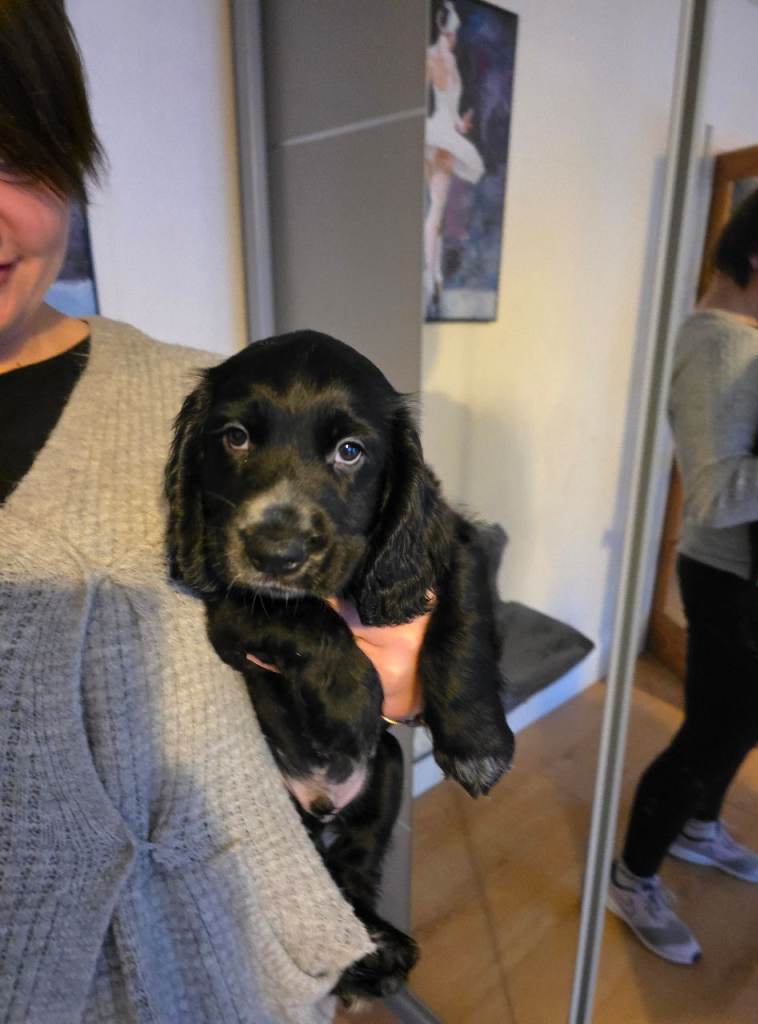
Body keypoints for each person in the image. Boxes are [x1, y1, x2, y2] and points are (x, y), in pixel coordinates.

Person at [0, 2, 425, 1021]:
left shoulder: (209, 401)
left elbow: (398, 620)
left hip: (233, 978)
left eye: (10, 149)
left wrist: (408, 658)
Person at [608, 182, 758, 965]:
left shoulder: (745, 337)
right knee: (710, 734)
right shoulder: (722, 346)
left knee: (744, 723)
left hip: (749, 585)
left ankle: (699, 831)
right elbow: (712, 490)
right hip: (731, 584)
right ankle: (631, 876)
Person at [423, 0, 485, 317]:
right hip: (438, 139)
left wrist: (462, 125)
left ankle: (432, 278)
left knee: (433, 214)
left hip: (438, 135)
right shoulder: (437, 61)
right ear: (448, 32)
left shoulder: (440, 60)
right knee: (434, 214)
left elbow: (446, 111)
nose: (455, 39)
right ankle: (432, 279)